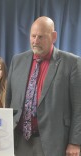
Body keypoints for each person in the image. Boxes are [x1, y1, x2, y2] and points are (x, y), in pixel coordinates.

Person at [6, 16, 81, 156]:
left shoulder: (72, 63)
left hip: (53, 143)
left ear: (53, 36)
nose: (35, 41)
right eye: (33, 36)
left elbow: (79, 107)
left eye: (41, 37)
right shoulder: (17, 60)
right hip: (19, 141)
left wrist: (75, 142)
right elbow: (9, 101)